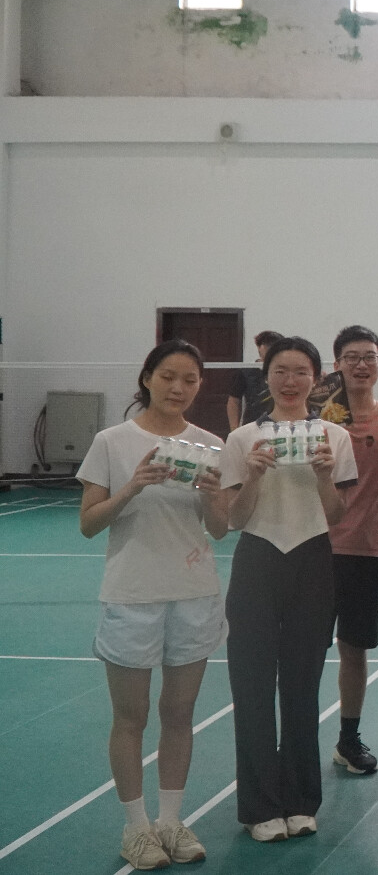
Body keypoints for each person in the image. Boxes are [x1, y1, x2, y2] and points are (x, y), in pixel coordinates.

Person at [79, 341, 228, 870]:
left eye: (189, 379)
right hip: (131, 597)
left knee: (179, 714)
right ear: (147, 378)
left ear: (199, 385)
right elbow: (89, 523)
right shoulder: (111, 441)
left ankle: (169, 821)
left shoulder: (211, 445)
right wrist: (133, 488)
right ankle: (136, 828)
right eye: (168, 376)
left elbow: (219, 528)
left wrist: (211, 493)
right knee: (131, 716)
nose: (178, 387)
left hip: (194, 595)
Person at [219, 336, 359, 842]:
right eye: (281, 370)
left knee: (302, 685)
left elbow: (336, 515)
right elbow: (233, 519)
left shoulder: (333, 437)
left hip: (312, 559)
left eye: (301, 371)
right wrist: (253, 476)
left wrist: (323, 476)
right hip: (256, 559)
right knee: (252, 686)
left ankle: (301, 800)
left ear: (316, 379)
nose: (290, 380)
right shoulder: (242, 439)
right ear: (266, 375)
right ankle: (259, 807)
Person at [310, 325, 378, 778]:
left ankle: (348, 738)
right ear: (337, 364)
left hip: (367, 550)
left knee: (355, 650)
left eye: (370, 356)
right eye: (352, 357)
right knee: (306, 649)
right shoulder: (318, 420)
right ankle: (299, 738)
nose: (362, 365)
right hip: (314, 548)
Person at [227, 330, 282, 431]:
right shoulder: (245, 371)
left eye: (274, 346)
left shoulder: (286, 372)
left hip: (281, 426)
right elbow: (234, 401)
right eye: (267, 345)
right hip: (252, 425)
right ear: (259, 347)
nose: (271, 349)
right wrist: (234, 429)